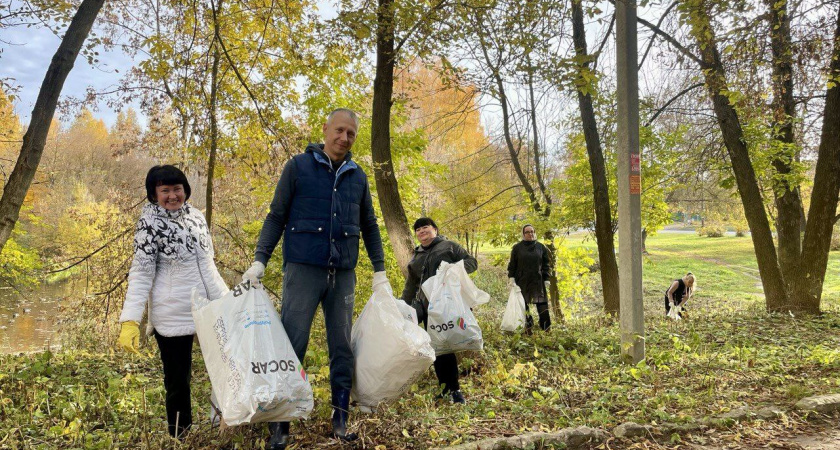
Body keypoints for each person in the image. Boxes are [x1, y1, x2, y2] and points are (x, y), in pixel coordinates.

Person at [242, 109, 390, 449]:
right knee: (292, 344)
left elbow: (369, 225)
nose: (344, 138)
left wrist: (379, 270)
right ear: (325, 130)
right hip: (302, 271)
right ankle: (280, 423)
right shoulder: (298, 166)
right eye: (339, 130)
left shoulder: (358, 176)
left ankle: (340, 419)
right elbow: (276, 216)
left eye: (351, 134)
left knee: (342, 347)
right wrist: (260, 260)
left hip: (343, 275)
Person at [116, 165, 229, 438]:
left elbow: (208, 266)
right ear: (154, 194)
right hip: (172, 314)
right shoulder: (149, 225)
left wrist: (227, 300)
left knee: (226, 367)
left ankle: (224, 425)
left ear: (185, 190)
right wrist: (130, 319)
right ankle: (181, 436)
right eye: (165, 190)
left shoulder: (197, 217)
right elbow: (141, 273)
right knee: (178, 382)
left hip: (211, 307)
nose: (172, 196)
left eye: (177, 189)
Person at [400, 217, 477, 405]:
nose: (421, 231)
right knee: (437, 348)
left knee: (447, 347)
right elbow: (411, 285)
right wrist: (403, 305)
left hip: (449, 306)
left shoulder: (449, 246)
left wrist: (453, 270)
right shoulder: (416, 256)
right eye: (418, 229)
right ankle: (444, 389)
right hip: (428, 308)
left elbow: (472, 262)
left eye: (425, 227)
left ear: (435, 229)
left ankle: (455, 391)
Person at [507, 224, 551, 332]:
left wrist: (547, 278)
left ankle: (546, 329)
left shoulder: (541, 247)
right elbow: (512, 264)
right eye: (527, 232)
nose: (530, 234)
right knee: (523, 305)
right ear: (523, 234)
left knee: (542, 305)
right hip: (522, 280)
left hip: (538, 280)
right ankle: (528, 328)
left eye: (532, 231)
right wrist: (511, 277)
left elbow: (546, 264)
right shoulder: (517, 248)